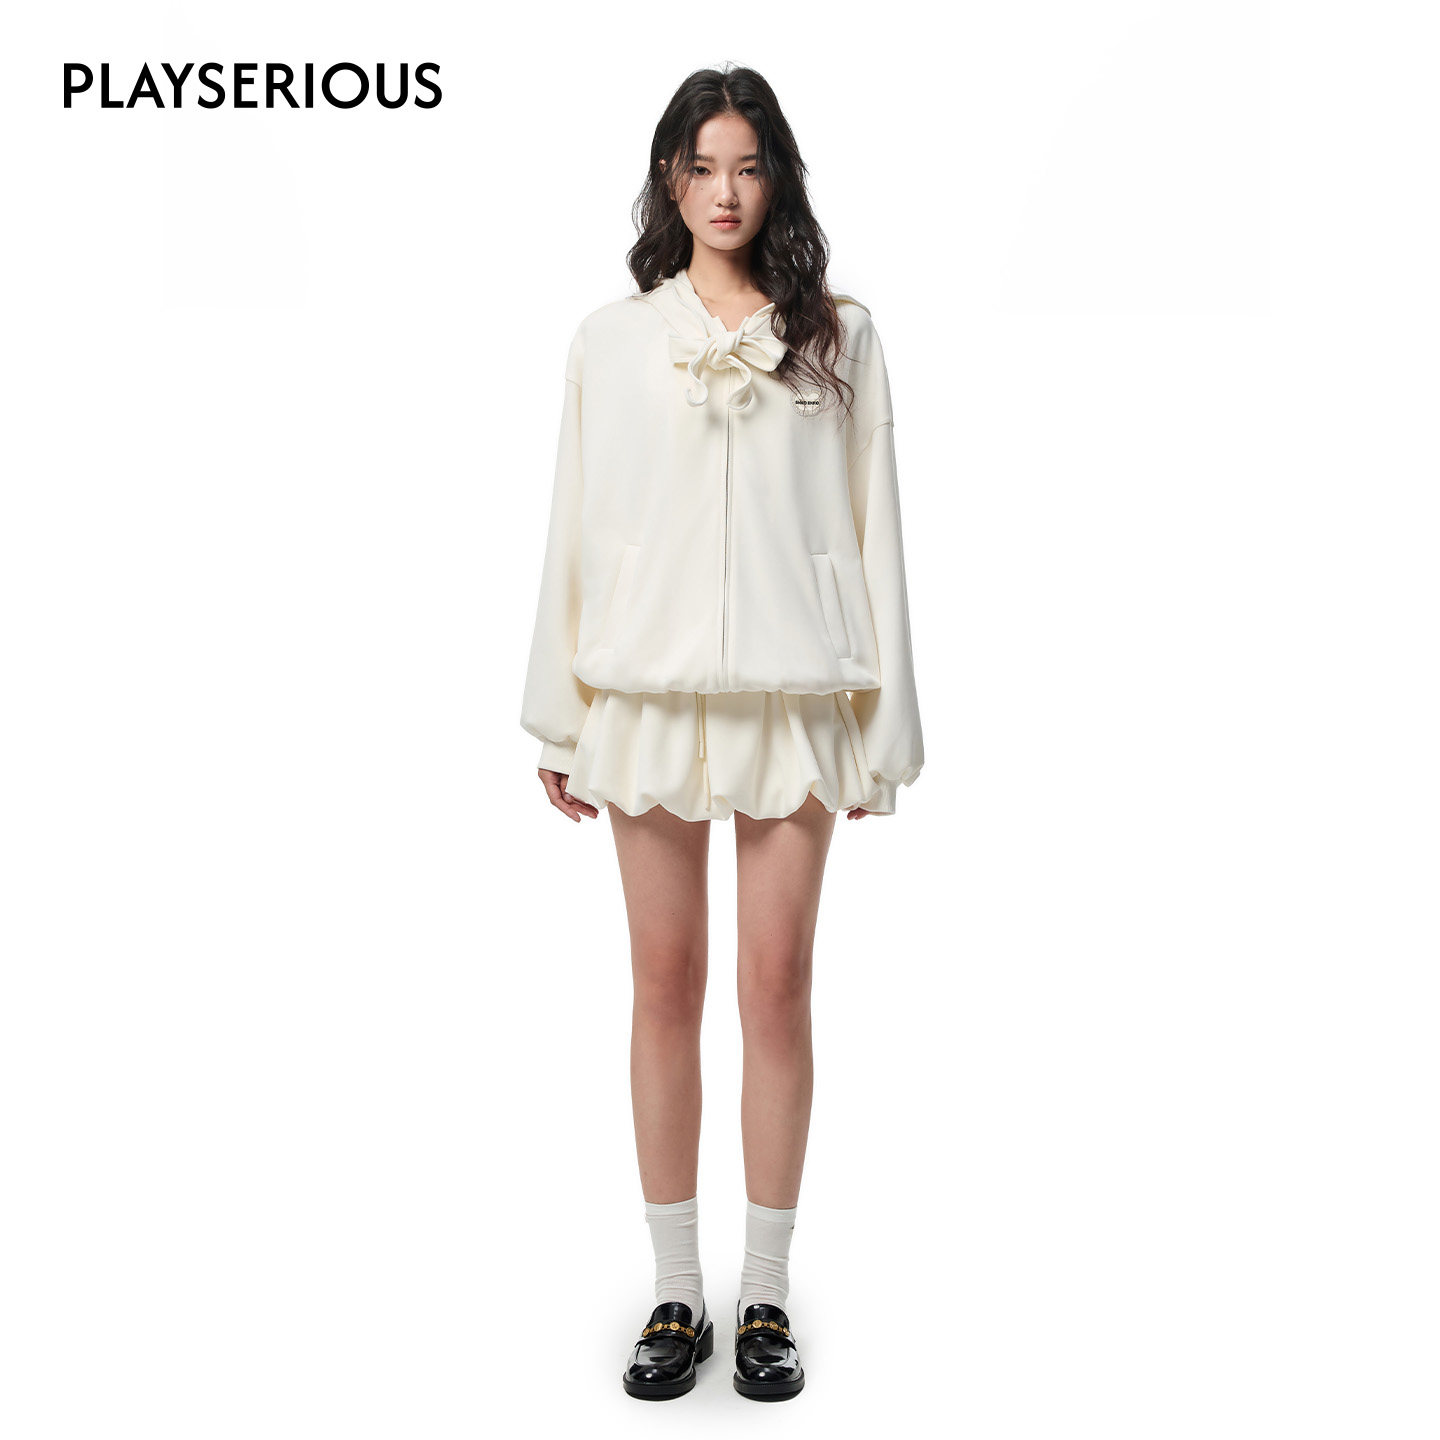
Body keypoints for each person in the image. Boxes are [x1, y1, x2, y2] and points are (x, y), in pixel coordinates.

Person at [519, 64, 924, 1402]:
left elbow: (874, 527)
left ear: (777, 178)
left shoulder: (841, 337)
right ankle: (675, 1289)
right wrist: (563, 714)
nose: (727, 191)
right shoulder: (610, 340)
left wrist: (882, 728)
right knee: (663, 985)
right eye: (704, 167)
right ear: (671, 180)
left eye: (750, 166)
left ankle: (764, 1292)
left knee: (776, 984)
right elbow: (577, 527)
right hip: (645, 697)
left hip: (796, 700)